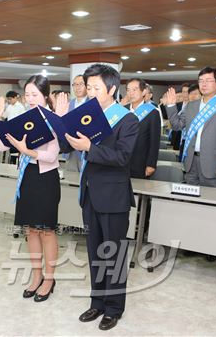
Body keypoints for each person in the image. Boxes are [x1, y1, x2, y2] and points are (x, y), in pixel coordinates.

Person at [59, 64, 139, 331]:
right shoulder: (87, 115)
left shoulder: (127, 120)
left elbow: (123, 158)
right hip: (90, 194)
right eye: (88, 87)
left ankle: (114, 308)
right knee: (94, 251)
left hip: (114, 197)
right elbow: (66, 144)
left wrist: (89, 148)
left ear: (112, 89)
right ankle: (97, 301)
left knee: (113, 254)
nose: (90, 93)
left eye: (96, 88)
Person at [0, 75, 61, 303]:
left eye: (35, 94)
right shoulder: (22, 117)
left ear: (45, 95)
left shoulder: (53, 119)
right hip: (27, 177)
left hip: (46, 178)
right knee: (31, 230)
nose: (30, 99)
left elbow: (52, 155)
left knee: (46, 230)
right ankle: (36, 276)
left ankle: (49, 280)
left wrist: (27, 150)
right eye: (27, 95)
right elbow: (4, 144)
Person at [164, 67, 216, 187]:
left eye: (208, 80)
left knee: (210, 201)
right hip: (191, 162)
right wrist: (171, 105)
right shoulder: (191, 105)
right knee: (191, 200)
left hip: (214, 164)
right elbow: (177, 126)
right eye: (201, 80)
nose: (203, 84)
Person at [126, 78, 160, 179]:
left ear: (144, 91)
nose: (131, 93)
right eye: (128, 90)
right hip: (121, 161)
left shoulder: (152, 113)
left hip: (141, 162)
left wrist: (151, 164)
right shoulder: (122, 110)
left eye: (134, 89)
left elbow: (154, 141)